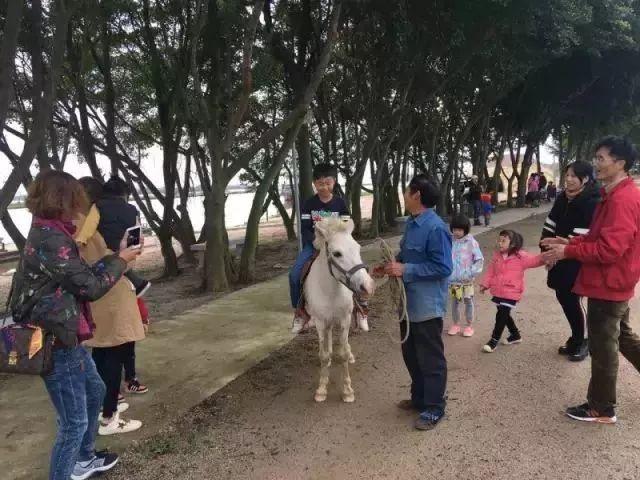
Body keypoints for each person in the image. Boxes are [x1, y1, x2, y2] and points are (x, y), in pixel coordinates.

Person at [9, 170, 140, 480]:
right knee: (74, 423)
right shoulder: (51, 238)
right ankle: (66, 470)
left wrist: (117, 254)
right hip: (54, 340)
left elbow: (81, 275)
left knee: (95, 392)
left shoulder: (53, 232)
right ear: (65, 199)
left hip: (67, 332)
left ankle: (83, 459)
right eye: (77, 199)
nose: (82, 206)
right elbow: (90, 288)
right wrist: (121, 260)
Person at [542, 136, 640, 425]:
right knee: (621, 335)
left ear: (620, 163)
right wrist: (569, 240)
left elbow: (610, 249)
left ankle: (601, 407)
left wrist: (568, 250)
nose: (596, 163)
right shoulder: (614, 194)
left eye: (601, 158)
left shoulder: (622, 199)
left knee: (602, 345)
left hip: (609, 283)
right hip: (613, 281)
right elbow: (598, 236)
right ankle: (602, 404)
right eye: (596, 158)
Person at [374, 175, 452, 430]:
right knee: (411, 355)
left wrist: (405, 269)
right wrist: (389, 266)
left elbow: (443, 267)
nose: (404, 194)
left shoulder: (436, 227)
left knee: (430, 358)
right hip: (407, 304)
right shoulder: (412, 223)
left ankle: (434, 407)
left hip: (426, 305)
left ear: (416, 194)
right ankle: (419, 398)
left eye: (407, 190)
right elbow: (406, 255)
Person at [76, 178, 146, 436]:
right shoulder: (93, 225)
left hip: (93, 298)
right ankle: (109, 417)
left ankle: (103, 406)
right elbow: (125, 259)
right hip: (111, 294)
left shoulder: (79, 223)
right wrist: (126, 254)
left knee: (101, 352)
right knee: (114, 354)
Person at [289, 164, 368, 333]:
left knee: (358, 269)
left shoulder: (340, 203)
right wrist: (316, 243)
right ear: (314, 184)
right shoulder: (308, 203)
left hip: (337, 247)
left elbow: (347, 224)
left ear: (334, 182)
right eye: (320, 183)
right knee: (295, 275)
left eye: (327, 182)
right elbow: (304, 227)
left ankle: (361, 309)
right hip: (314, 246)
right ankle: (300, 313)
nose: (324, 186)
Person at [539, 161, 599, 362]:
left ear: (586, 179)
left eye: (574, 176)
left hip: (575, 255)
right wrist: (546, 249)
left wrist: (562, 250)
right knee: (563, 295)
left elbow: (585, 232)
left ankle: (582, 340)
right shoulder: (562, 198)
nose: (569, 179)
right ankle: (576, 337)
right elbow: (550, 223)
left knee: (573, 298)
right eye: (567, 175)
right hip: (558, 253)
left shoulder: (591, 200)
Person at [479, 229, 544, 353]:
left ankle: (494, 340)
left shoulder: (521, 256)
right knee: (504, 314)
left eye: (503, 241)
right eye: (499, 240)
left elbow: (535, 260)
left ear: (513, 244)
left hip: (511, 291)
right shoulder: (497, 256)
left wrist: (548, 256)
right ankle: (515, 335)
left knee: (501, 314)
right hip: (498, 290)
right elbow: (491, 271)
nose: (500, 243)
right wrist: (485, 284)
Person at [89, 176, 151, 297]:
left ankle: (138, 282)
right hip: (126, 249)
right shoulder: (133, 210)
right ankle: (137, 283)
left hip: (104, 248)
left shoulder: (97, 207)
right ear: (125, 194)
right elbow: (136, 235)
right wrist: (133, 248)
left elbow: (89, 229)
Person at [447, 214, 483, 338]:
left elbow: (479, 260)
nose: (457, 232)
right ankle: (456, 324)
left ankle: (469, 326)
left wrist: (470, 273)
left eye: (460, 230)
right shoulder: (450, 241)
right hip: (453, 281)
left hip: (467, 281)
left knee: (468, 302)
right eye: (455, 229)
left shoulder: (471, 243)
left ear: (465, 229)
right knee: (454, 303)